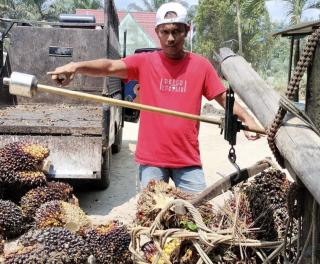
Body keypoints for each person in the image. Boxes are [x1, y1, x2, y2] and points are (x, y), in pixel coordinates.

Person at [48, 2, 262, 193]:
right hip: (152, 161)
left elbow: (223, 97)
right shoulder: (144, 62)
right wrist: (75, 66)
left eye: (177, 31)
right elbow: (110, 66)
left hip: (187, 160)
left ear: (186, 31)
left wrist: (248, 119)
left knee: (198, 218)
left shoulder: (200, 65)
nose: (171, 38)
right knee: (151, 223)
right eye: (165, 31)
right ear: (157, 32)